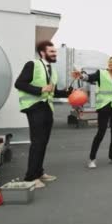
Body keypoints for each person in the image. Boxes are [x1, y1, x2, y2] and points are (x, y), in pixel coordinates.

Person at [15, 40, 72, 188]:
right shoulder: (32, 65)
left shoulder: (52, 71)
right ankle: (30, 178)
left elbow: (53, 91)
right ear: (42, 53)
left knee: (43, 142)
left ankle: (39, 172)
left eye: (55, 52)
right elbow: (19, 84)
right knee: (37, 142)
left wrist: (69, 93)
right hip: (34, 107)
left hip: (47, 108)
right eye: (52, 52)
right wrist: (40, 90)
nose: (54, 54)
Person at [72, 54, 112, 169]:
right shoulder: (101, 73)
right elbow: (89, 77)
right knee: (101, 132)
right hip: (104, 106)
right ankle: (92, 159)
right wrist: (81, 76)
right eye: (111, 61)